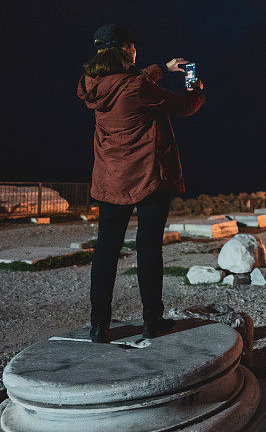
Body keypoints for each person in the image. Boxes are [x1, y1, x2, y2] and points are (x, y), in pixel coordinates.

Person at [77, 24, 205, 343]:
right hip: (148, 177)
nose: (136, 50)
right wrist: (194, 83)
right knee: (148, 248)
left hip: (110, 179)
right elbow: (185, 106)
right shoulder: (137, 88)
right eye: (132, 46)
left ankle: (98, 325)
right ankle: (153, 321)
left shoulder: (92, 84)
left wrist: (162, 67)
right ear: (125, 50)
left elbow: (132, 82)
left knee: (106, 250)